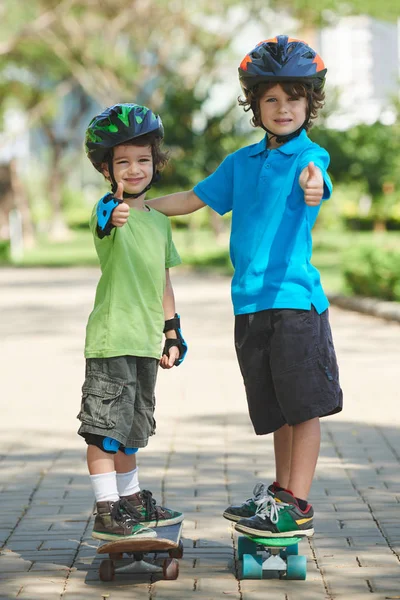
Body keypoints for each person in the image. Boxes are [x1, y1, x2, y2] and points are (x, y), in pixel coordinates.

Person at [147, 36, 343, 538]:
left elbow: (317, 179)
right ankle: (280, 495)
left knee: (304, 407)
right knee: (277, 409)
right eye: (271, 99)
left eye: (293, 99)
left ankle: (298, 503)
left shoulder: (310, 157)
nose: (282, 109)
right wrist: (143, 207)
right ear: (254, 104)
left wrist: (314, 186)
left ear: (309, 104)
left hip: (295, 302)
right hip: (250, 305)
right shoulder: (241, 163)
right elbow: (194, 198)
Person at [78, 103, 187, 541]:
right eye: (123, 162)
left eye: (143, 160)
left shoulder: (159, 222)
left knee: (131, 432)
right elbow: (106, 220)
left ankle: (131, 498)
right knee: (104, 430)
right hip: (111, 341)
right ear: (107, 169)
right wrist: (113, 209)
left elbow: (163, 281)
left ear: (155, 163)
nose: (134, 169)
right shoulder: (109, 211)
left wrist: (172, 331)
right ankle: (107, 507)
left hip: (144, 342)